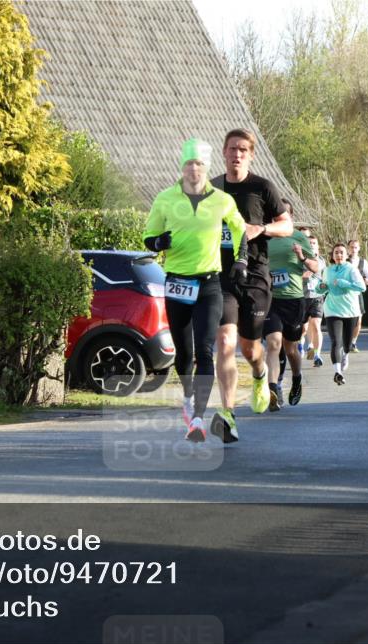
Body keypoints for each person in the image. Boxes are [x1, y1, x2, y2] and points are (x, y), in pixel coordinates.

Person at [144, 138, 247, 442]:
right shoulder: (165, 198)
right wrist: (159, 242)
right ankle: (188, 398)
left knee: (205, 349)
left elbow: (240, 231)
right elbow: (148, 237)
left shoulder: (222, 200)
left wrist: (241, 261)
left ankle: (199, 418)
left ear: (206, 168)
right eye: (189, 164)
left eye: (199, 164)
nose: (193, 170)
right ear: (182, 167)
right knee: (184, 353)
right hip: (176, 281)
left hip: (209, 282)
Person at [210, 129, 293, 443]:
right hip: (221, 276)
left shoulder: (262, 187)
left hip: (256, 276)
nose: (237, 154)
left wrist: (262, 228)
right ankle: (228, 415)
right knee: (226, 342)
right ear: (224, 151)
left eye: (243, 149)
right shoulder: (212, 188)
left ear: (251, 154)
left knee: (250, 349)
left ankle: (260, 375)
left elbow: (288, 226)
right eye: (232, 149)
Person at [264, 219, 319, 410]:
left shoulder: (298, 236)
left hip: (293, 299)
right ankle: (272, 389)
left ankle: (296, 379)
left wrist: (302, 257)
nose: (276, 218)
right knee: (273, 343)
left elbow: (315, 267)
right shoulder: (265, 235)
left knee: (291, 349)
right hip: (271, 299)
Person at [316, 243, 367, 385]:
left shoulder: (352, 270)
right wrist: (320, 287)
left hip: (350, 310)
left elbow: (362, 287)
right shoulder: (327, 270)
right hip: (332, 309)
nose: (339, 255)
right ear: (332, 255)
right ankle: (337, 372)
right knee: (335, 342)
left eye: (341, 253)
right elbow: (321, 289)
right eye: (336, 252)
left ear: (346, 255)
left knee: (346, 342)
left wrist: (345, 283)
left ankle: (346, 354)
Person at [303, 234, 327, 368]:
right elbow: (294, 275)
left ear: (318, 246)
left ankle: (317, 355)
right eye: (309, 243)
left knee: (316, 324)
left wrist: (325, 284)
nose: (311, 245)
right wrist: (303, 276)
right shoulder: (300, 259)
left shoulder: (322, 261)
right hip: (302, 296)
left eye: (314, 243)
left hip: (317, 297)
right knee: (303, 327)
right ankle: (304, 346)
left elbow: (325, 277)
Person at [347, 239, 368, 352]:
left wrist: (367, 280)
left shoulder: (363, 262)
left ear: (359, 248)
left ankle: (353, 342)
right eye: (352, 247)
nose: (353, 249)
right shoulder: (344, 261)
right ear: (348, 248)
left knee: (358, 320)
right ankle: (345, 341)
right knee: (346, 320)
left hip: (357, 295)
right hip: (346, 294)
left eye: (356, 247)